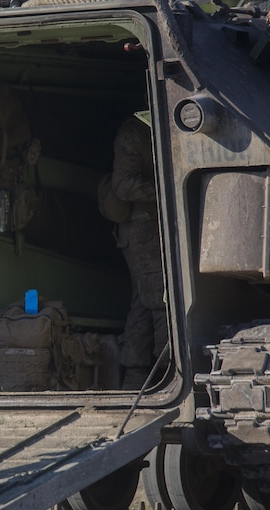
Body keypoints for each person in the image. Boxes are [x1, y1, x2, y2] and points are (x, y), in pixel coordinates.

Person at [110, 113, 166, 389]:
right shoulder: (135, 132)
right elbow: (123, 185)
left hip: (151, 229)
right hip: (143, 231)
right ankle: (166, 372)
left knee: (145, 301)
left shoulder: (154, 127)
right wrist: (166, 189)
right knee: (158, 299)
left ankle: (137, 378)